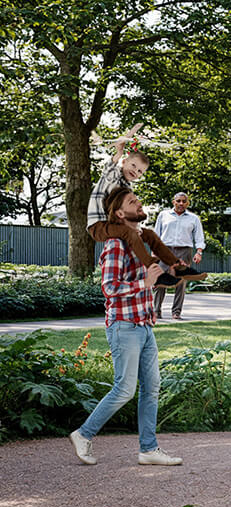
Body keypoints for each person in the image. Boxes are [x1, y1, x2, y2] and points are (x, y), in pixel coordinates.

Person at [68, 187, 183, 468]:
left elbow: (148, 278)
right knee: (124, 389)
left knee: (152, 387)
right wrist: (143, 284)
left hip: (143, 325)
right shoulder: (116, 244)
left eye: (138, 199)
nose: (139, 203)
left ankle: (148, 449)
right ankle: (83, 434)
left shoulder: (141, 241)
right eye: (132, 202)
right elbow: (109, 287)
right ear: (120, 213)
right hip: (123, 325)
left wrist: (166, 274)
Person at [86, 129, 193, 293]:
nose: (135, 171)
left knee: (148, 233)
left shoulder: (127, 187)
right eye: (133, 165)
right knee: (130, 234)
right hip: (98, 226)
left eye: (139, 171)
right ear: (124, 162)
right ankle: (154, 269)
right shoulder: (112, 176)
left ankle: (177, 265)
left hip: (115, 224)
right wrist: (119, 152)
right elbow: (110, 167)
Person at [152, 191, 208, 321]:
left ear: (187, 203)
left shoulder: (193, 218)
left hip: (184, 251)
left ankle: (176, 312)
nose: (181, 203)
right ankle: (156, 311)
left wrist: (199, 252)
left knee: (181, 282)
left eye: (184, 201)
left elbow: (199, 237)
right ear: (173, 202)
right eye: (178, 201)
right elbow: (156, 234)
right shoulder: (163, 215)